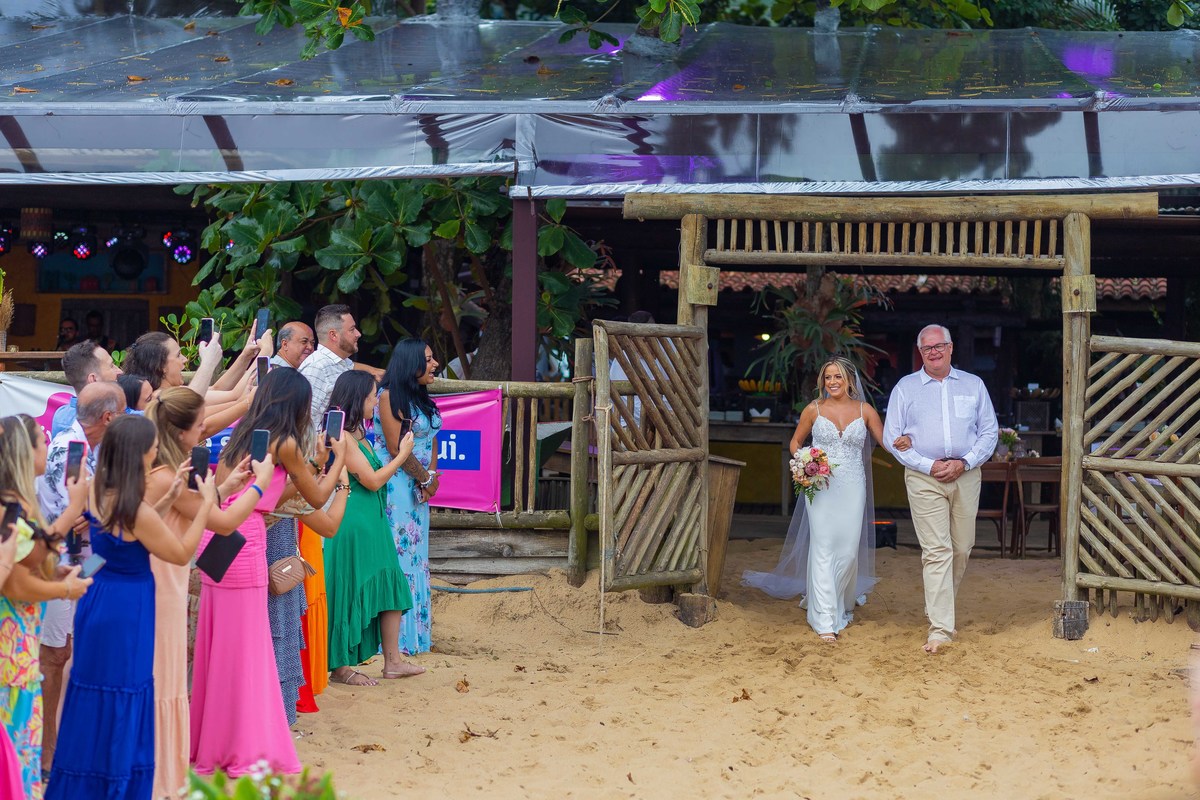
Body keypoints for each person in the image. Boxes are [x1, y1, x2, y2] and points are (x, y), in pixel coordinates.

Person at [46, 415, 217, 800]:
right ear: (140, 453)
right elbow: (181, 551)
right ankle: (116, 785)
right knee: (124, 693)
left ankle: (81, 783)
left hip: (97, 598)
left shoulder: (95, 490)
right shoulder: (134, 510)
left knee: (91, 691)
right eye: (153, 446)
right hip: (128, 609)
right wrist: (204, 504)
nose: (157, 451)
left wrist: (170, 496)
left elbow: (117, 543)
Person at [190, 368, 348, 777]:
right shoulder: (287, 441)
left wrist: (312, 463)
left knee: (219, 648)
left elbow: (266, 489)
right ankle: (244, 747)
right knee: (247, 652)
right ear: (296, 404)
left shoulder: (245, 435)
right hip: (246, 546)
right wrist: (339, 460)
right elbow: (317, 493)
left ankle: (214, 741)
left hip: (218, 541)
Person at [143, 387, 273, 800]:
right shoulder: (165, 475)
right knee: (164, 676)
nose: (206, 431)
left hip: (167, 578)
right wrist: (258, 488)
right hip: (162, 579)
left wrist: (226, 483)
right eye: (200, 426)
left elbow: (197, 506)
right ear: (180, 431)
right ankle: (163, 773)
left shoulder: (166, 469)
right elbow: (220, 522)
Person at [742, 357, 883, 642]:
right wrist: (806, 462)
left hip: (853, 487)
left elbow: (886, 441)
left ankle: (839, 601)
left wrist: (905, 441)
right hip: (821, 488)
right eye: (828, 377)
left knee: (848, 551)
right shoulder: (813, 410)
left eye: (838, 377)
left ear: (850, 381)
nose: (832, 382)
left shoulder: (865, 411)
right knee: (823, 548)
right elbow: (796, 442)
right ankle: (824, 619)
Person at [883, 324, 998, 654]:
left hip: (966, 473)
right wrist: (927, 464)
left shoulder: (973, 386)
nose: (933, 351)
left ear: (951, 349)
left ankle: (938, 607)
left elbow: (989, 433)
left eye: (939, 346)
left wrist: (965, 462)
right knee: (937, 551)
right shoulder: (905, 389)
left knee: (962, 548)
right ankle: (941, 628)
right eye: (927, 348)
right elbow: (894, 439)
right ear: (920, 353)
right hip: (924, 477)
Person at [0, 415, 93, 800]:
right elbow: (15, 582)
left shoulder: (20, 502)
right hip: (10, 649)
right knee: (13, 748)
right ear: (26, 452)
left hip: (19, 645)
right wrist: (63, 590)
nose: (49, 444)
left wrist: (58, 578)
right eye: (42, 439)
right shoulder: (7, 508)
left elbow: (34, 553)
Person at [35, 381, 124, 774]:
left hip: (84, 564)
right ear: (108, 417)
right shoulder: (71, 451)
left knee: (73, 650)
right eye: (122, 414)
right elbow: (77, 519)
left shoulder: (97, 448)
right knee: (55, 654)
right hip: (61, 565)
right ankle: (47, 752)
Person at [325, 371, 423, 685]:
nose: (374, 402)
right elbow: (372, 479)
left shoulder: (360, 435)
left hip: (374, 520)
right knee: (350, 589)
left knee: (392, 585)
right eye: (370, 397)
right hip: (354, 522)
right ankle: (340, 666)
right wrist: (403, 456)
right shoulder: (342, 436)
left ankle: (392, 661)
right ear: (357, 399)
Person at [374, 340, 441, 656]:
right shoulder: (388, 397)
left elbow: (432, 441)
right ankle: (396, 641)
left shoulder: (422, 397)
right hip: (398, 486)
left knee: (417, 557)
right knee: (401, 557)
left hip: (420, 487)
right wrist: (424, 478)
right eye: (428, 360)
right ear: (411, 363)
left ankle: (417, 637)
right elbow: (395, 446)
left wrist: (432, 476)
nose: (435, 364)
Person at [298, 304, 367, 422]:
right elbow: (304, 419)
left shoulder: (341, 362)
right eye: (352, 329)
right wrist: (322, 440)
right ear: (333, 335)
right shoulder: (317, 367)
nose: (358, 334)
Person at [51, 339, 123, 438]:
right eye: (111, 366)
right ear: (93, 379)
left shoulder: (60, 415)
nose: (119, 371)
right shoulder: (108, 418)